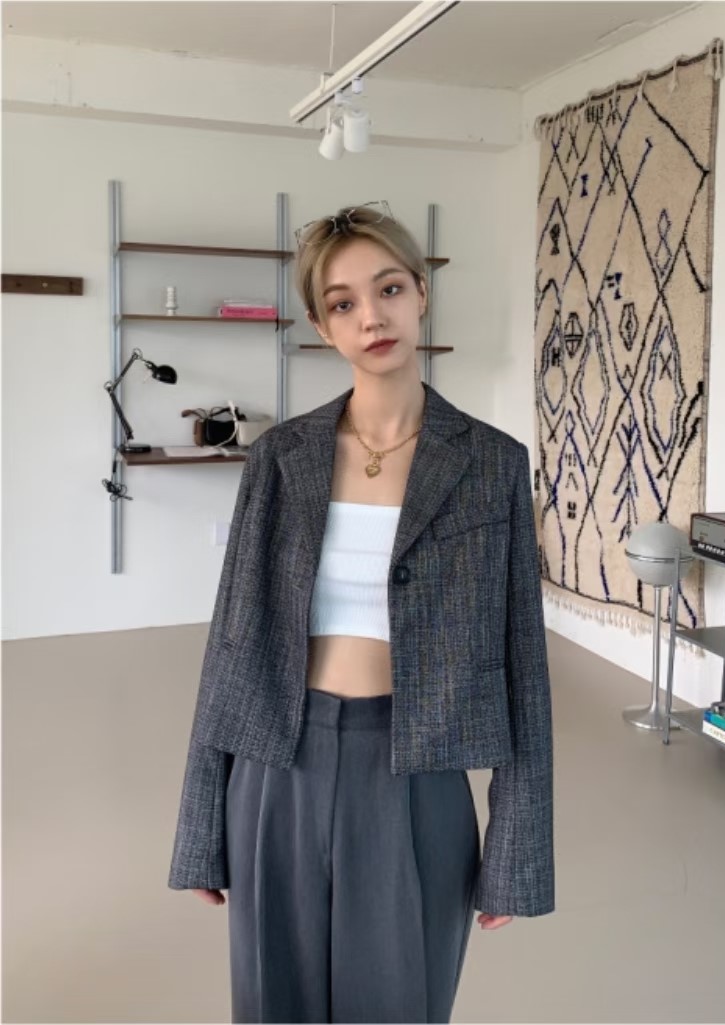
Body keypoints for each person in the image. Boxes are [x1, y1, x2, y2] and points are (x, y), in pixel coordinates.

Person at [168, 201, 555, 1024]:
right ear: (322, 325)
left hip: (419, 775)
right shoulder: (281, 457)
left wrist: (516, 848)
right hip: (278, 763)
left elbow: (524, 660)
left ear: (421, 293)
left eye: (388, 289)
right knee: (275, 1001)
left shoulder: (491, 463)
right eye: (343, 303)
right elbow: (232, 642)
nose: (371, 316)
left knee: (400, 1000)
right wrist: (201, 824)